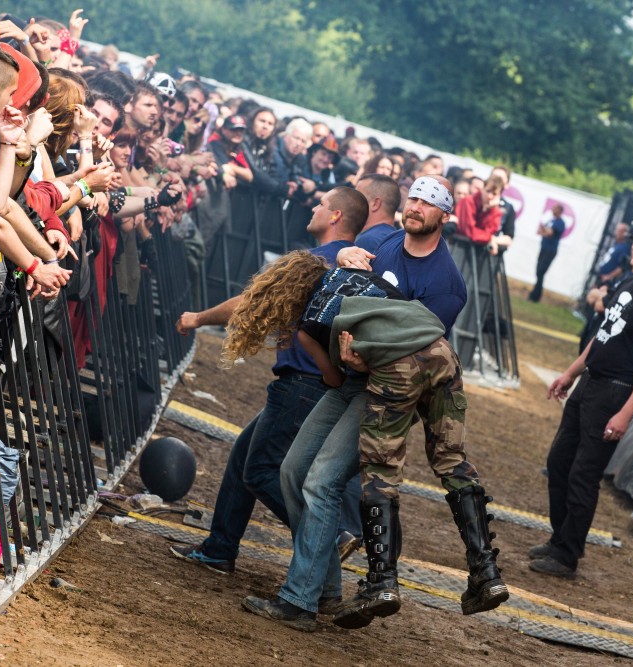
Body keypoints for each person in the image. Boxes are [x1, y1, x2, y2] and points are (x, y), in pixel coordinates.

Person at [241, 176, 478, 632]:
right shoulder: (382, 239)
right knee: (292, 471)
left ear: (444, 217)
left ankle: (299, 601)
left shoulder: (447, 286)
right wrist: (348, 254)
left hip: (387, 394)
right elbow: (343, 247)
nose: (417, 207)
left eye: (430, 204)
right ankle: (325, 588)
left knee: (323, 481)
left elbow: (415, 354)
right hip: (348, 379)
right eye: (414, 198)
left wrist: (361, 358)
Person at [169, 186, 367, 575]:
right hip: (328, 386)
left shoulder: (312, 261)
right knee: (244, 455)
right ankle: (220, 548)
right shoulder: (359, 266)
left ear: (336, 217)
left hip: (301, 386)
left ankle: (328, 536)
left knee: (261, 469)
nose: (313, 207)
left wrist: (197, 318)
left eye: (321, 204)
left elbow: (251, 303)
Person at [531, 225, 633, 579]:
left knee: (584, 474)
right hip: (589, 383)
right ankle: (559, 539)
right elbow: (601, 337)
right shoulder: (627, 284)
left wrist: (626, 412)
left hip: (615, 391)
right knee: (559, 462)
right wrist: (569, 374)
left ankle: (567, 555)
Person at [528, 203, 566, 302]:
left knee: (541, 271)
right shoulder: (551, 221)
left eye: (555, 208)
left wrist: (544, 231)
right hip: (544, 248)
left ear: (560, 211)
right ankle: (535, 293)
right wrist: (544, 230)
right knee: (538, 271)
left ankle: (535, 295)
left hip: (550, 250)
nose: (552, 209)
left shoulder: (560, 223)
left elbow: (549, 233)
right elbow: (540, 231)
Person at [353, 174, 399, 253]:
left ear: (375, 204)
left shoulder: (369, 241)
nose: (351, 202)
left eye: (357, 197)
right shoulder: (395, 238)